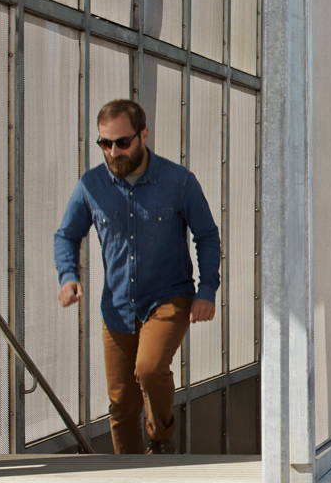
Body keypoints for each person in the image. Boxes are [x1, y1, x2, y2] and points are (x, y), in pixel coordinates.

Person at [54, 99, 221, 455]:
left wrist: (207, 290)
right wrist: (67, 276)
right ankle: (129, 472)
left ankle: (161, 441)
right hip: (117, 306)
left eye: (122, 142)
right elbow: (66, 235)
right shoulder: (91, 186)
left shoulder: (178, 182)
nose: (113, 151)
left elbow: (206, 235)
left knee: (148, 368)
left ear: (143, 135)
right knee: (121, 403)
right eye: (104, 143)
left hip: (169, 297)